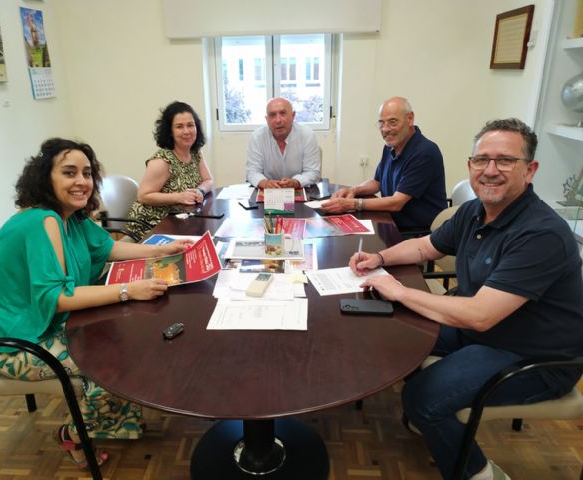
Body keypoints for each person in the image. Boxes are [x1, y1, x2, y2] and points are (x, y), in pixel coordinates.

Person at [348, 118, 583, 480]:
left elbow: (480, 315)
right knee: (393, 327)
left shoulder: (541, 233)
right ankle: (436, 422)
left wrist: (399, 290)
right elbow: (426, 245)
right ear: (470, 166)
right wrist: (379, 259)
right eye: (481, 160)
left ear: (530, 170)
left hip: (535, 356)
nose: (490, 171)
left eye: (505, 160)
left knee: (420, 399)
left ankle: (479, 473)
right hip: (489, 331)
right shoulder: (474, 211)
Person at [0, 138, 193, 469]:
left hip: (47, 323)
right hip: (15, 341)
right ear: (46, 177)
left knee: (122, 340)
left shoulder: (71, 216)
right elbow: (58, 297)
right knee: (111, 366)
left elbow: (109, 249)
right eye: (69, 172)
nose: (81, 181)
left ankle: (114, 419)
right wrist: (127, 290)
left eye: (87, 173)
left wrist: (161, 250)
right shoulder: (40, 222)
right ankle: (73, 434)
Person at [322, 97, 446, 235]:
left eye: (393, 122)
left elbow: (396, 202)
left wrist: (352, 204)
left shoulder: (425, 152)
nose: (385, 129)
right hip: (391, 222)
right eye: (381, 123)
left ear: (410, 119)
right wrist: (354, 190)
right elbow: (377, 182)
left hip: (418, 233)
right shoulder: (391, 146)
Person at [127, 101, 214, 239]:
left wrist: (200, 190)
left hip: (180, 222)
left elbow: (208, 180)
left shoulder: (195, 152)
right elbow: (143, 196)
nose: (186, 131)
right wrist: (179, 197)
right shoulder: (162, 161)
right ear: (170, 131)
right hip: (152, 226)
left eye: (190, 125)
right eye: (179, 126)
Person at [246, 97, 321, 189]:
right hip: (268, 193)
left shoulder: (307, 135)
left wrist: (296, 182)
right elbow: (252, 171)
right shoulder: (257, 137)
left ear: (293, 116)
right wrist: (264, 182)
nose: (278, 120)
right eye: (272, 115)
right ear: (267, 119)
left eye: (283, 113)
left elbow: (313, 172)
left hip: (298, 190)